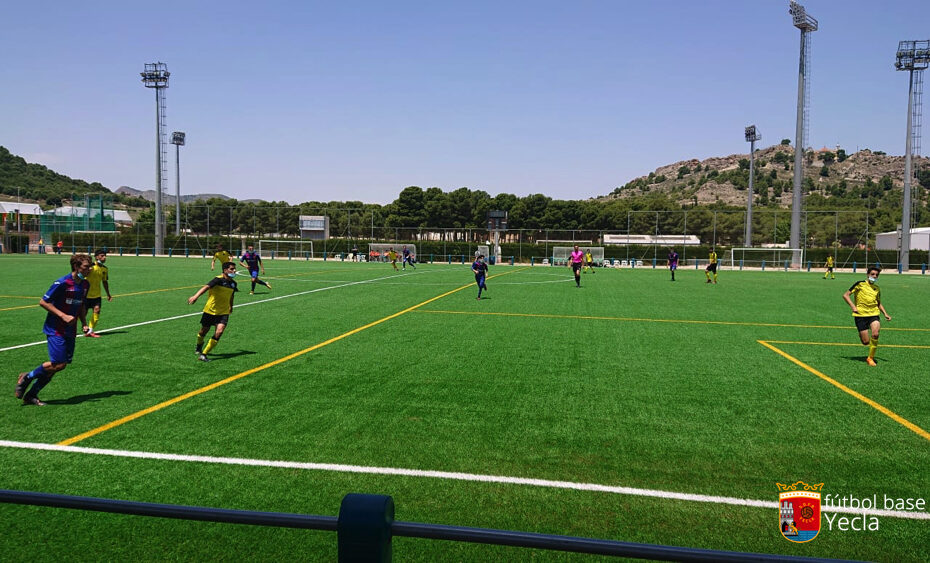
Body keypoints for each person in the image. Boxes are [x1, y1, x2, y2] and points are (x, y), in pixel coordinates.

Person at [15, 253, 92, 406]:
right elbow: (43, 302)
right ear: (76, 267)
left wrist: (84, 323)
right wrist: (63, 315)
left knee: (58, 367)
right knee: (59, 363)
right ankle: (27, 377)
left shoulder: (85, 284)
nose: (89, 269)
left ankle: (31, 395)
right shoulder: (62, 283)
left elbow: (81, 305)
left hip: (71, 329)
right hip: (56, 328)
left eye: (90, 266)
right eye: (86, 267)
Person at [188, 261, 238, 362]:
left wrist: (231, 306)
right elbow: (206, 287)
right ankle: (199, 346)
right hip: (210, 310)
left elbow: (232, 295)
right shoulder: (218, 280)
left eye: (234, 269)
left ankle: (204, 354)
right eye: (232, 269)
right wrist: (195, 296)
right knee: (203, 331)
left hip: (223, 312)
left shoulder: (233, 283)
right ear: (225, 270)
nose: (234, 271)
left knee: (219, 331)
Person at [842, 266, 891, 367]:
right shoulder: (860, 284)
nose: (874, 276)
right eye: (873, 274)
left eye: (877, 275)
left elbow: (878, 303)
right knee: (865, 342)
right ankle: (862, 334)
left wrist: (885, 313)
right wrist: (853, 306)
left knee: (876, 334)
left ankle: (870, 358)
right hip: (860, 315)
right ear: (868, 274)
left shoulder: (877, 289)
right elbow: (846, 295)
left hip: (873, 314)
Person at [82, 249, 112, 337]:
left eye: (105, 256)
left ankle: (90, 331)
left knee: (97, 310)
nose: (104, 257)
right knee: (83, 314)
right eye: (102, 256)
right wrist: (87, 271)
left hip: (97, 295)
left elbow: (105, 282)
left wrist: (108, 294)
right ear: (96, 257)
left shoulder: (105, 269)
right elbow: (80, 276)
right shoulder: (90, 266)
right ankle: (70, 329)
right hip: (86, 295)